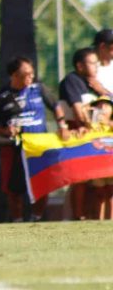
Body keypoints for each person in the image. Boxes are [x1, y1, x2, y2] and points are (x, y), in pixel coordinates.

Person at [0, 56, 64, 222]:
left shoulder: (39, 88)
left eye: (32, 73)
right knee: (14, 189)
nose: (30, 77)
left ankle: (36, 218)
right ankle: (18, 221)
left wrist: (62, 125)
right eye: (26, 74)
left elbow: (56, 106)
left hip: (38, 147)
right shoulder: (3, 95)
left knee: (42, 184)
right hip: (14, 149)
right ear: (14, 76)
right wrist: (5, 131)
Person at [59, 47, 104, 220]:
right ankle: (78, 216)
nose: (96, 67)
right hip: (79, 134)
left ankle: (97, 216)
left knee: (100, 182)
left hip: (98, 137)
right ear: (80, 65)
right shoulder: (72, 81)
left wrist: (103, 92)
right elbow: (79, 111)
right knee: (80, 180)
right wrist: (88, 124)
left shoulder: (94, 84)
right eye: (92, 63)